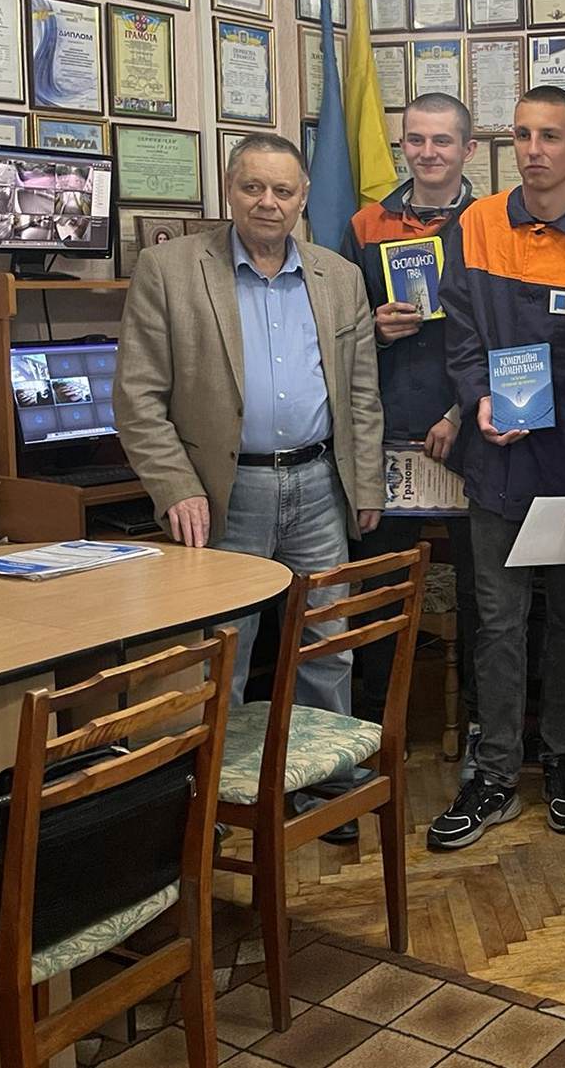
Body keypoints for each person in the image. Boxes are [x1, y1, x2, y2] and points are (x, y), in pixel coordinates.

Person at [428, 85, 565, 850]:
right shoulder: (477, 223)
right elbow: (460, 334)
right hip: (498, 461)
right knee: (496, 620)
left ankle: (560, 759)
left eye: (550, 135)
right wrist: (477, 400)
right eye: (521, 134)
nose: (533, 149)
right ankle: (493, 773)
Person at [115, 132, 384, 710]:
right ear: (230, 190)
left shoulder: (340, 277)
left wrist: (366, 481)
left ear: (303, 197)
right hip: (224, 493)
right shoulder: (169, 270)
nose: (268, 202)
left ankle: (322, 764)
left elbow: (361, 392)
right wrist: (177, 488)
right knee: (224, 651)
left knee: (327, 646)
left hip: (320, 488)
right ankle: (222, 770)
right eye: (253, 187)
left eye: (282, 191)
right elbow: (137, 398)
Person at [339, 93, 484, 743]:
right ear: (402, 146)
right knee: (379, 592)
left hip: (471, 435)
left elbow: (504, 332)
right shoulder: (366, 224)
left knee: (485, 596)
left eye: (442, 140)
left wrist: (462, 411)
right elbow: (336, 327)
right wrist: (374, 329)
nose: (428, 152)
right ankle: (376, 733)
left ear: (467, 149)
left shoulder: (491, 222)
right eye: (416, 140)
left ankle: (481, 730)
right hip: (388, 436)